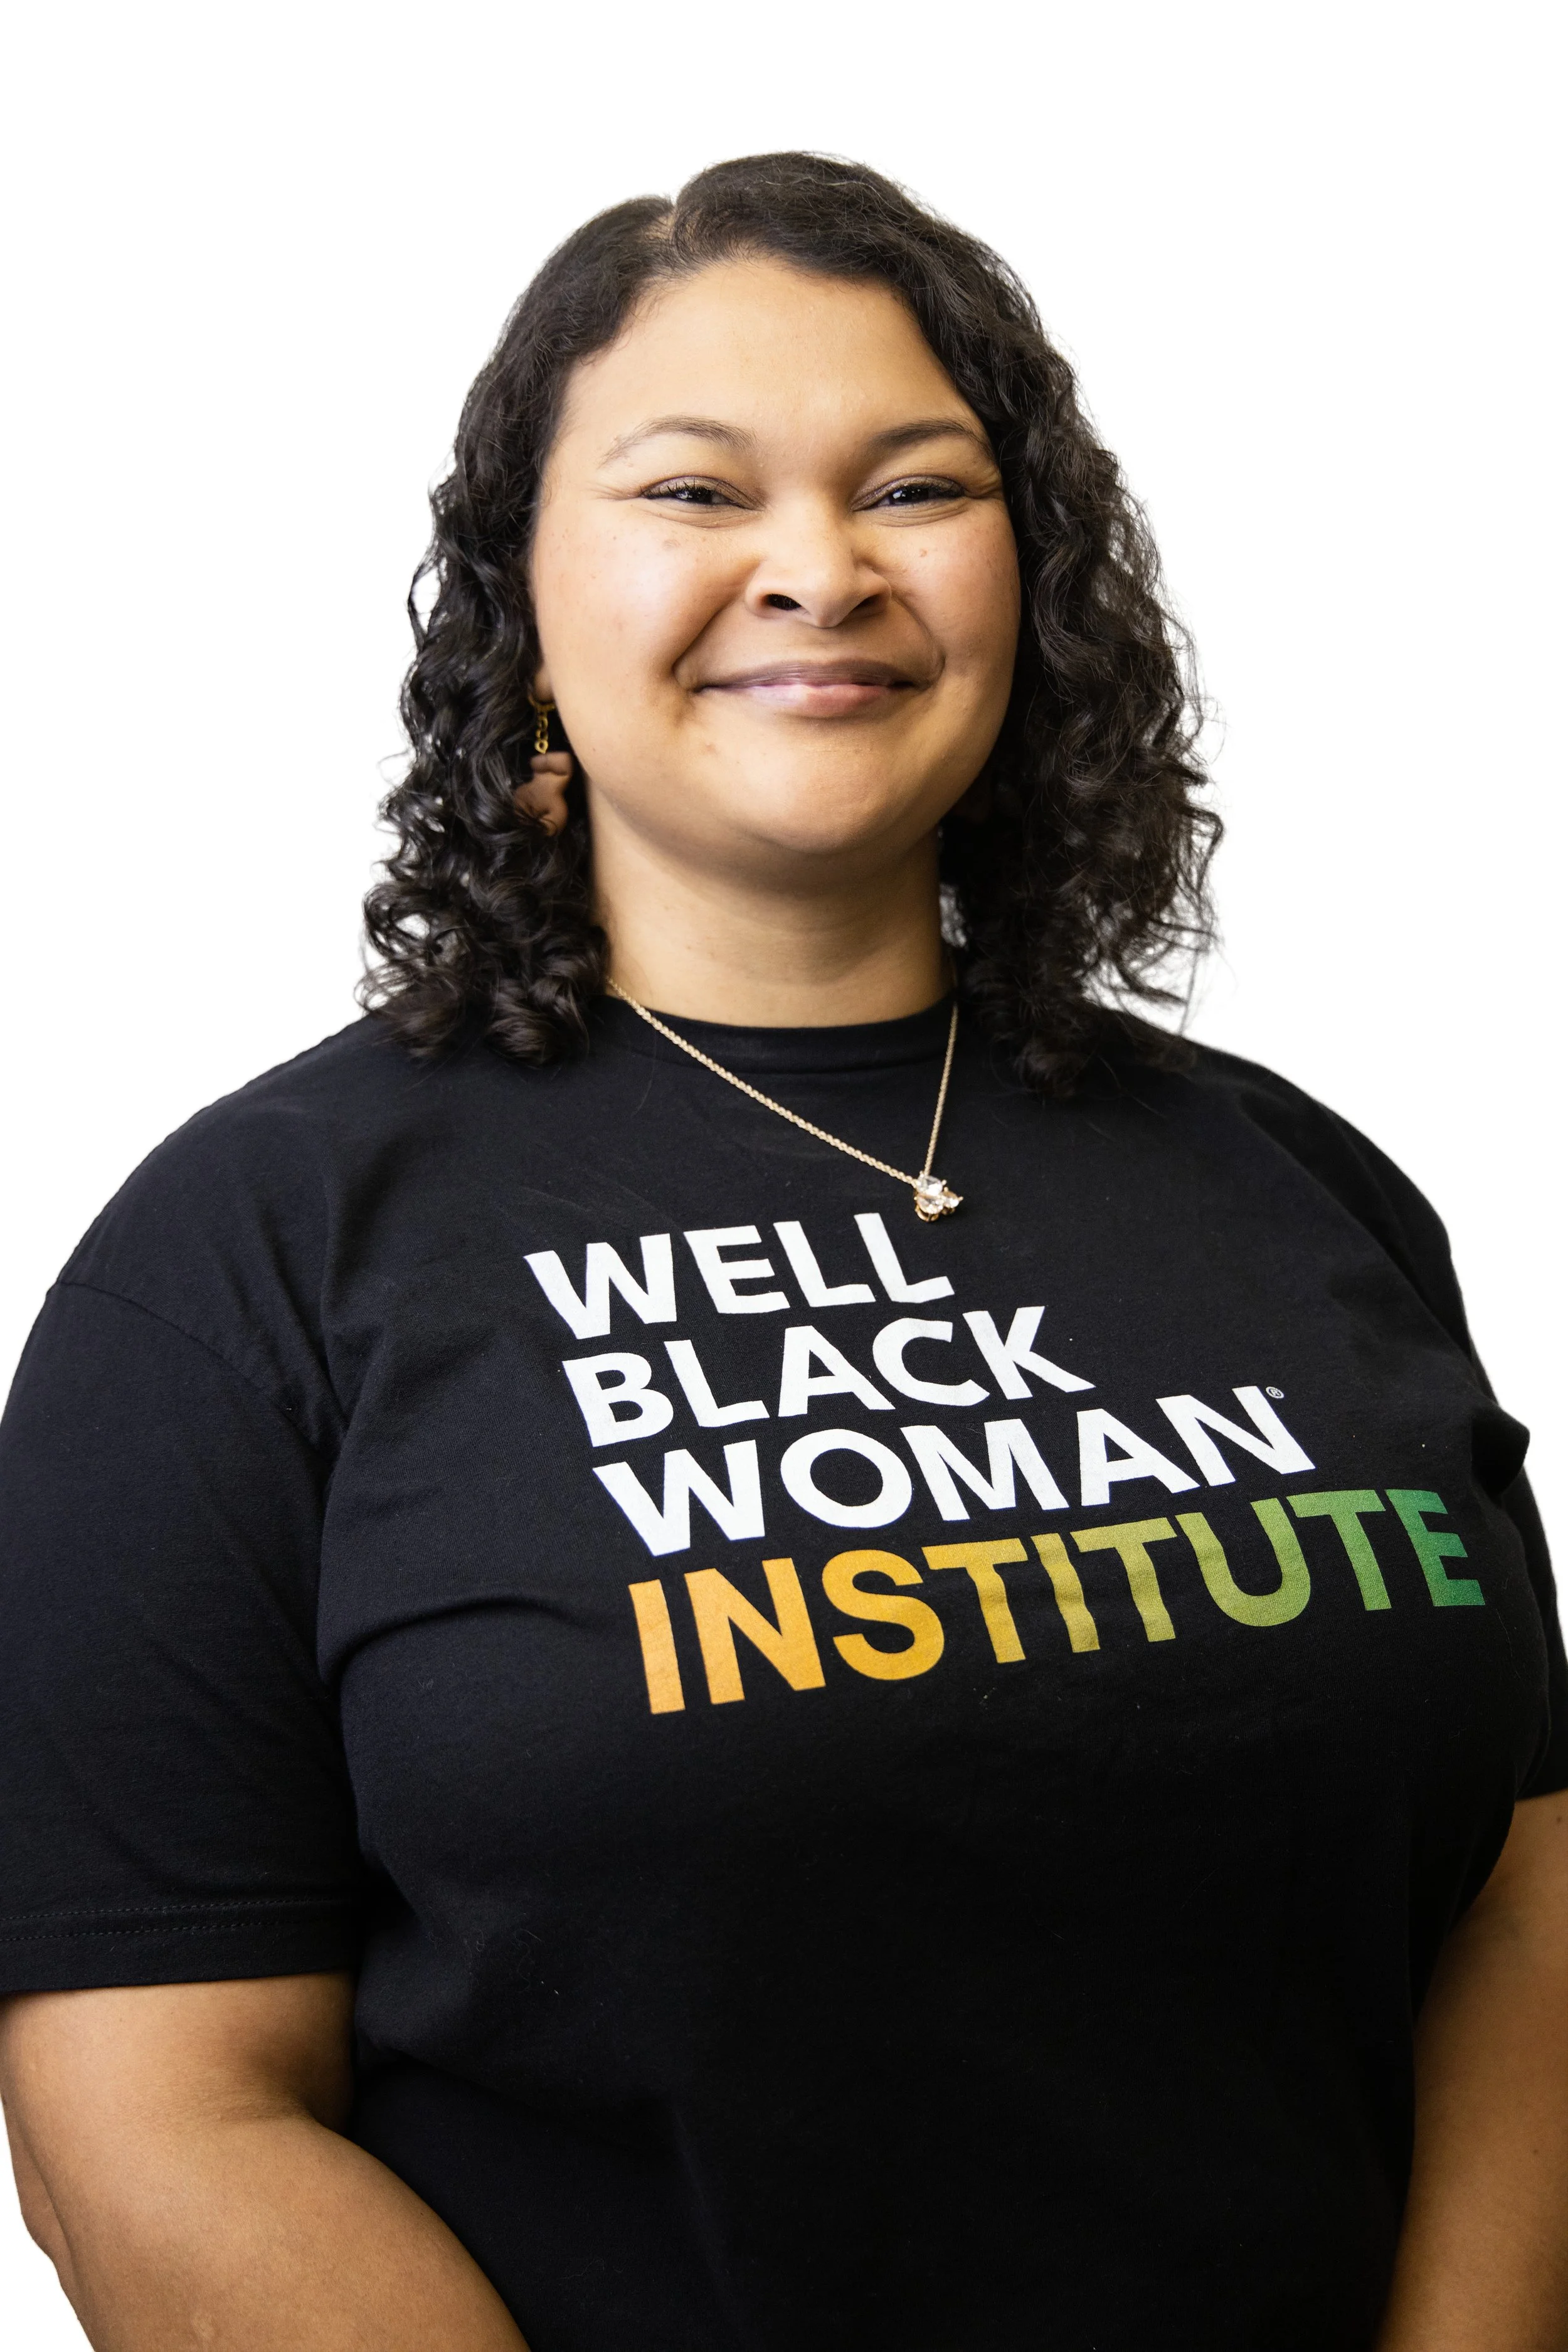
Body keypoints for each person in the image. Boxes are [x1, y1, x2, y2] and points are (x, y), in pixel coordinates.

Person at [0, 151, 1564, 2352]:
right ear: (521, 600)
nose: (820, 570)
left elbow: (1518, 1905)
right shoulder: (244, 1264)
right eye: (693, 491)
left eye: (914, 488)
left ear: (1031, 581)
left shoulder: (1300, 1180)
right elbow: (157, 2108)